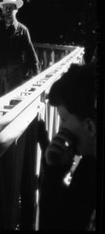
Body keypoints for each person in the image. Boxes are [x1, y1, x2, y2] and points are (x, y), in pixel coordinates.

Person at [38, 62, 97, 230]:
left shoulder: (89, 171)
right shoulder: (88, 165)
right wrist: (54, 174)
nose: (61, 128)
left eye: (63, 119)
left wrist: (52, 178)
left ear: (90, 127)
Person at [0, 0, 39, 99]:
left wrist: (37, 74)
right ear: (2, 10)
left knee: (12, 104)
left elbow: (30, 53)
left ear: (16, 10)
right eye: (6, 8)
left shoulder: (22, 30)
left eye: (11, 8)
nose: (8, 10)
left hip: (15, 75)